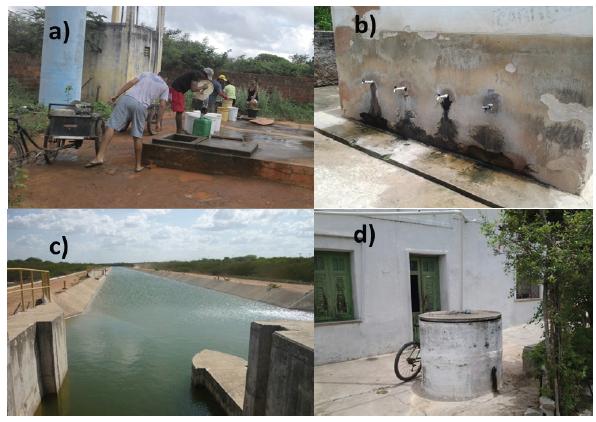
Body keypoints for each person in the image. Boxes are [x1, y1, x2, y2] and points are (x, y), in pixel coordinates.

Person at [85, 72, 168, 172]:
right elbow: (162, 105)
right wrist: (158, 122)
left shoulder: (146, 74)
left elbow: (130, 83)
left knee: (111, 126)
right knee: (137, 136)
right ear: (166, 78)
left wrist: (116, 95)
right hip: (141, 106)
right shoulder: (165, 87)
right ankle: (137, 166)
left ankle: (99, 157)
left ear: (157, 74)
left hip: (127, 99)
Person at [170, 68, 211, 133]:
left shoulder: (197, 74)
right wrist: (203, 87)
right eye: (206, 77)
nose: (205, 79)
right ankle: (179, 131)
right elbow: (193, 89)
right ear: (205, 74)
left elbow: (196, 88)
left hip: (179, 90)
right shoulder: (196, 75)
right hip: (177, 90)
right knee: (179, 111)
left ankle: (180, 129)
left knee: (180, 110)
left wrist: (202, 89)